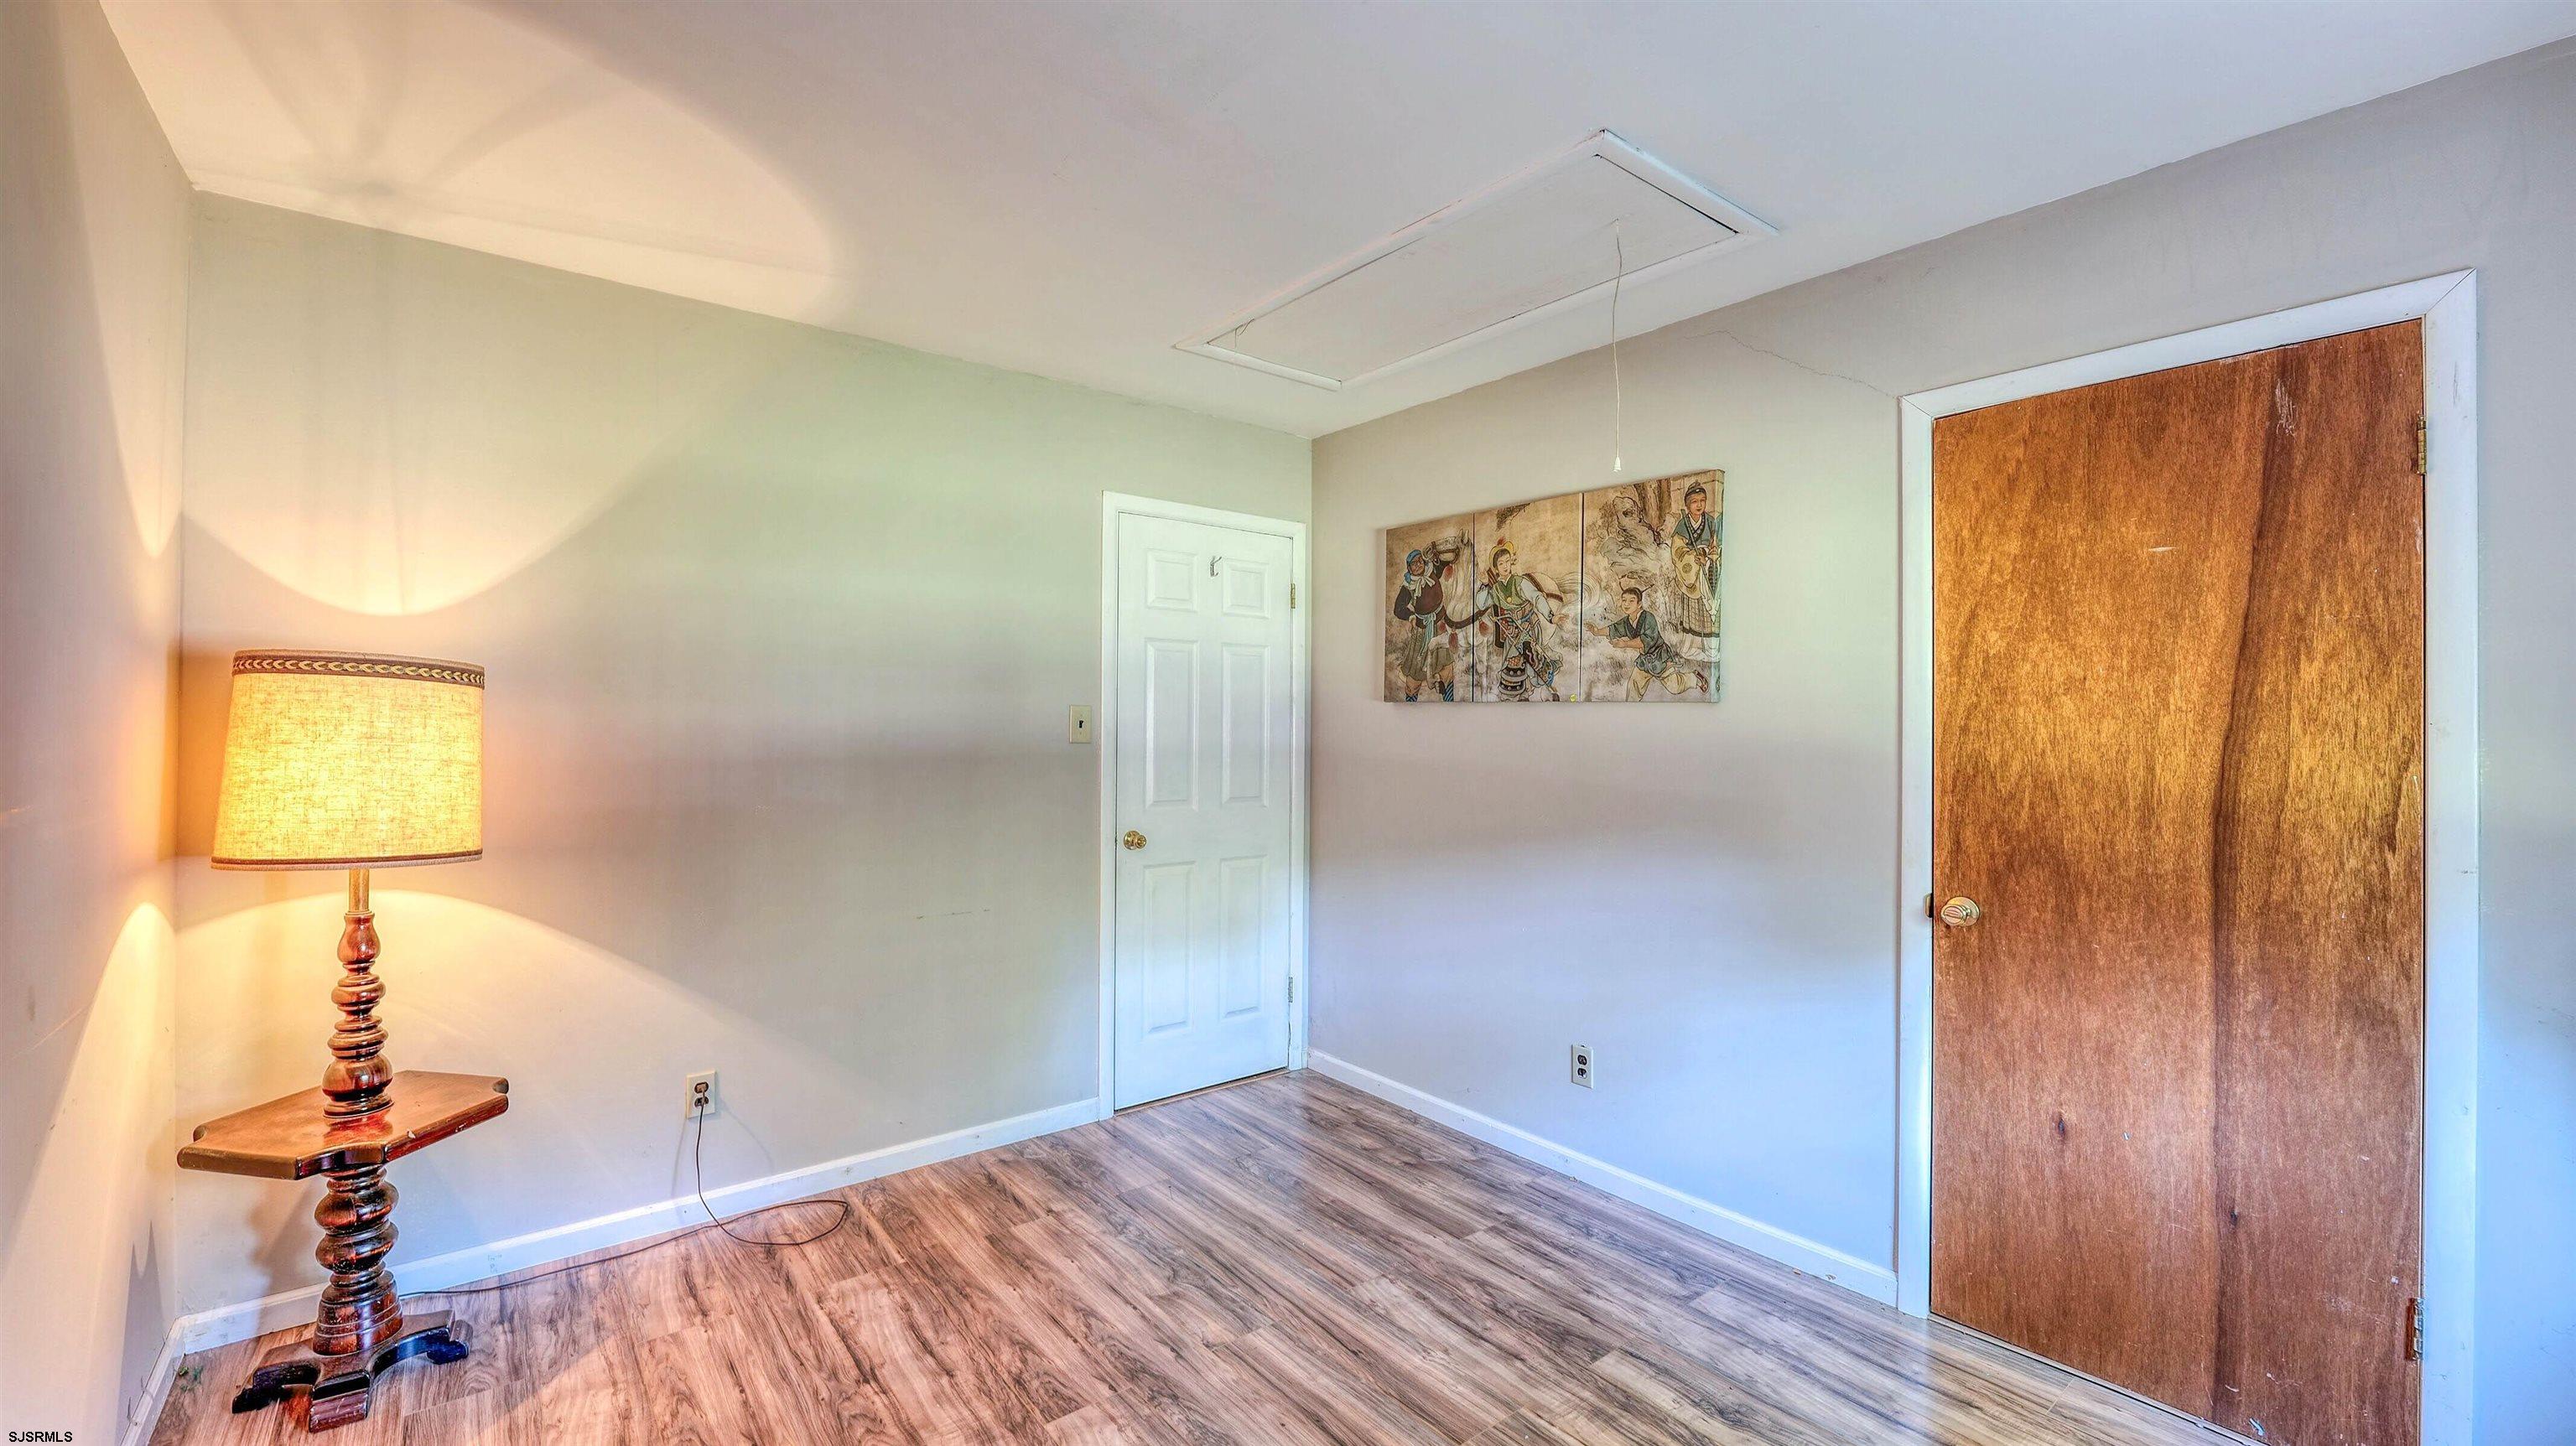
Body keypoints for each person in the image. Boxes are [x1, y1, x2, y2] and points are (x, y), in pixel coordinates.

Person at [1476, 537, 1566, 701]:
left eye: (1507, 562)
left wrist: (1551, 617)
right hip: (1511, 631)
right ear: (1496, 568)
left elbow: (1536, 597)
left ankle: (1546, 693)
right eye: (1501, 564)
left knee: (1534, 663)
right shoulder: (1495, 589)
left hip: (1527, 627)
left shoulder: (1519, 582)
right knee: (1514, 667)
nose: (1505, 566)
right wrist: (1484, 585)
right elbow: (1482, 603)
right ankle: (1522, 699)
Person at [1599, 585, 1704, 698]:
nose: (1626, 604)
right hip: (1645, 661)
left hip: (1660, 657)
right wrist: (1596, 631)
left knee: (1675, 687)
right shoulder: (1626, 622)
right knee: (1634, 687)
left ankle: (1694, 677)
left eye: (1631, 601)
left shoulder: (1649, 618)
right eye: (1624, 600)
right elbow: (1613, 629)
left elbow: (1647, 639)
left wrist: (1625, 644)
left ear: (1639, 604)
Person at [1388, 546, 1460, 702]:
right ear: (1409, 568)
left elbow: (1446, 559)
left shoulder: (1432, 571)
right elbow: (1398, 609)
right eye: (1414, 563)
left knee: (1447, 670)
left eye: (1420, 560)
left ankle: (1450, 705)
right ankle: (1409, 709)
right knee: (1414, 677)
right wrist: (1412, 616)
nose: (1419, 564)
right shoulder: (1408, 587)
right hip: (1421, 633)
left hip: (1439, 629)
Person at [1667, 481, 1719, 643]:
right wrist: (1692, 557)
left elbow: (1717, 548)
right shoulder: (1683, 524)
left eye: (1702, 500)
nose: (1699, 505)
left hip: (1706, 571)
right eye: (1695, 501)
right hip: (1691, 573)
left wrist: (1707, 558)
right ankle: (1692, 646)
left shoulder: (1711, 522)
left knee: (1708, 608)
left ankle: (1708, 646)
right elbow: (1677, 550)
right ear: (1688, 505)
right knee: (1692, 608)